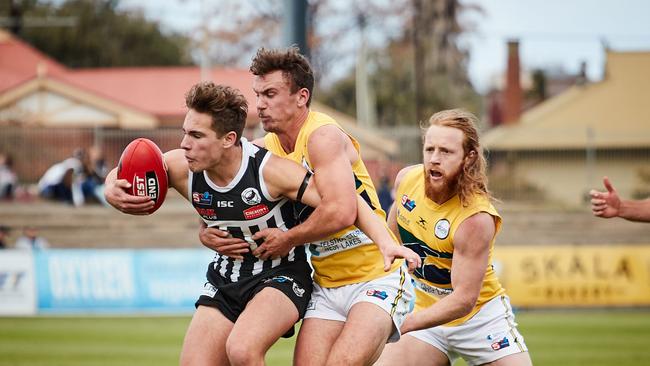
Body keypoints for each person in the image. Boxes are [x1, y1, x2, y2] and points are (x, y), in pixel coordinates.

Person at [103, 82, 416, 366]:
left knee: (241, 349)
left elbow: (344, 201)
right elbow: (129, 169)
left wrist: (386, 241)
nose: (184, 144)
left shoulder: (269, 170)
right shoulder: (181, 167)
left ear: (228, 139)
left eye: (196, 136)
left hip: (280, 275)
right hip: (226, 276)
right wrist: (110, 188)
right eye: (185, 133)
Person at [198, 46, 416, 366]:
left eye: (271, 93)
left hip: (375, 277)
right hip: (326, 286)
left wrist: (287, 239)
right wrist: (204, 229)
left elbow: (341, 211)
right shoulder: (263, 151)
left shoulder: (322, 136)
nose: (260, 104)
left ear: (301, 96)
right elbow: (222, 188)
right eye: (258, 94)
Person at [375, 109, 532, 366]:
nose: (434, 159)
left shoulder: (476, 217)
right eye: (429, 150)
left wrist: (402, 323)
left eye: (446, 152)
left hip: (479, 319)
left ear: (468, 158)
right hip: (423, 312)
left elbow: (463, 300)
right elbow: (388, 243)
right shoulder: (406, 180)